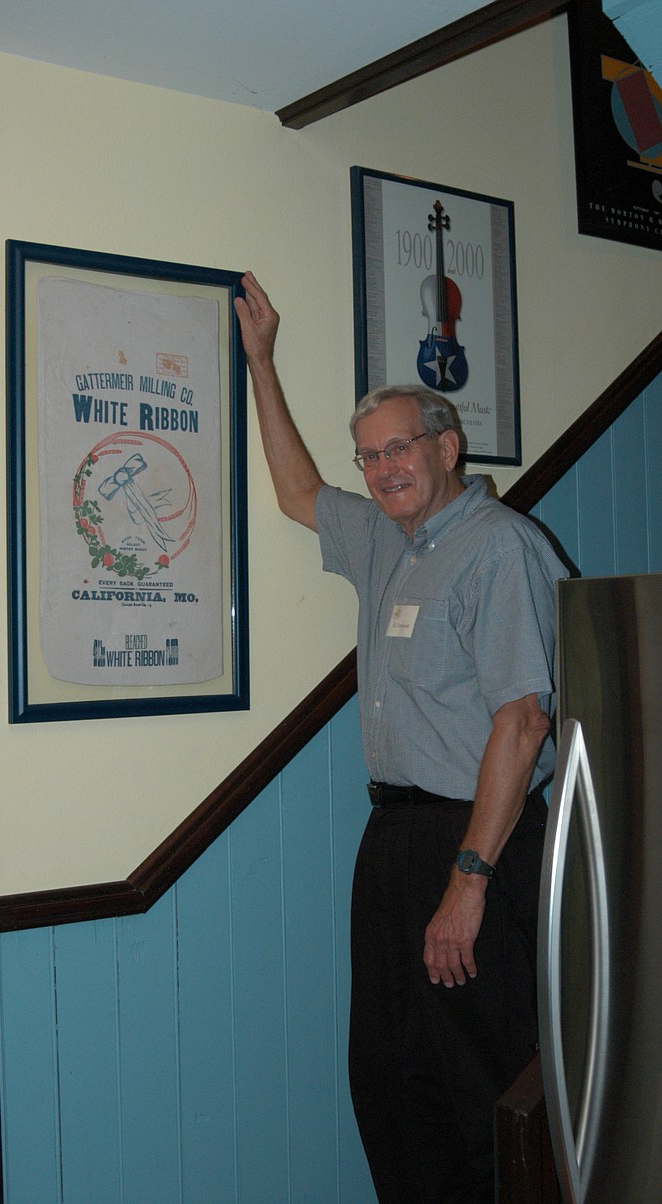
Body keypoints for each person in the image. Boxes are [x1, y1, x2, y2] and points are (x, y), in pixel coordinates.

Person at [234, 271, 568, 1203]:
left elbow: (525, 718)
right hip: (393, 841)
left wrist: (470, 880)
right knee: (390, 1081)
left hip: (478, 842)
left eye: (399, 449)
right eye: (369, 455)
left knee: (481, 1084)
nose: (382, 469)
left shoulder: (498, 545)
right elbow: (299, 491)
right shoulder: (384, 537)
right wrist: (262, 364)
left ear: (446, 446)